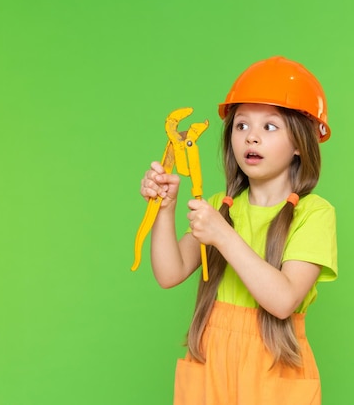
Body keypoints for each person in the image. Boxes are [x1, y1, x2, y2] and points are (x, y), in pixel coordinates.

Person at [139, 56, 338, 405]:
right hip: (211, 363)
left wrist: (222, 235)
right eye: (241, 125)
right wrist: (165, 208)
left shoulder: (314, 213)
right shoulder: (221, 205)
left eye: (270, 127)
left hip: (274, 369)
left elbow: (283, 301)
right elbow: (169, 273)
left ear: (299, 144)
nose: (251, 138)